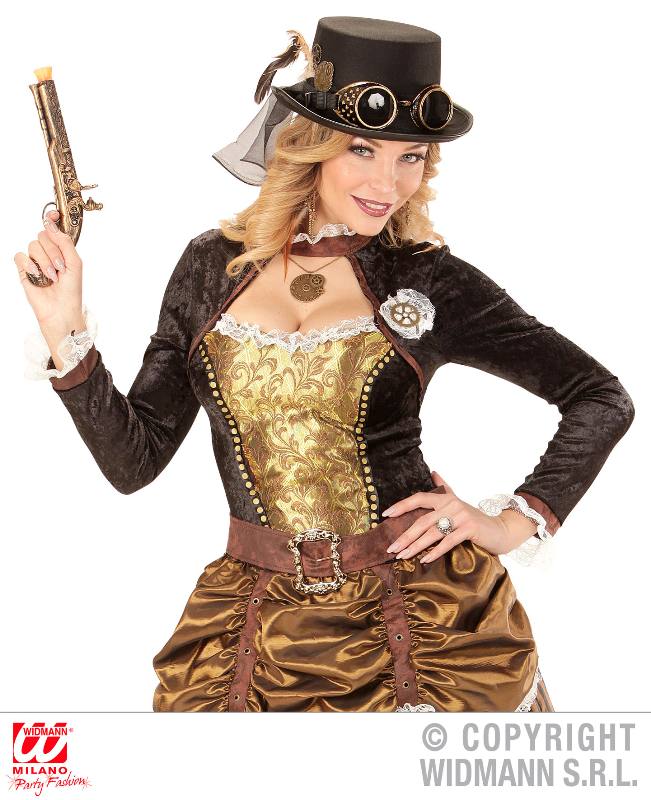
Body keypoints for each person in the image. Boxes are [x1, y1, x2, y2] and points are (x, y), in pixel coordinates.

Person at [15, 17, 634, 712]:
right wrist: (63, 326)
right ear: (309, 144)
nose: (388, 183)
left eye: (410, 157)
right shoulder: (210, 269)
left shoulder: (427, 280)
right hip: (256, 630)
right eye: (362, 149)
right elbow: (135, 461)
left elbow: (599, 396)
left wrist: (512, 521)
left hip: (419, 621)